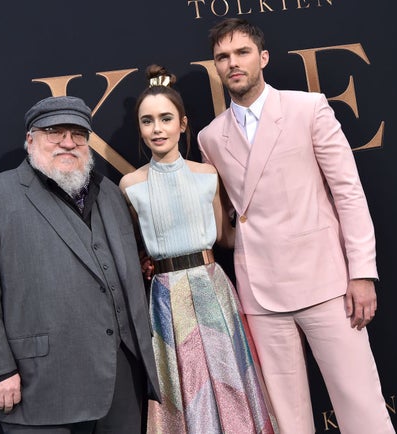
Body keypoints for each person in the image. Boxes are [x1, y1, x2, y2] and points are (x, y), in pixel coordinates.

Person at [197, 18, 396, 434]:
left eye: (242, 52)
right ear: (215, 67)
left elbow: (348, 193)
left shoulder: (308, 108)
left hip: (325, 281)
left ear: (262, 57)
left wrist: (361, 272)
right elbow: (228, 218)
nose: (233, 63)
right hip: (261, 292)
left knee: (361, 406)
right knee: (287, 420)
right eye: (223, 57)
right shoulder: (210, 137)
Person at [0, 95, 160, 434]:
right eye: (54, 131)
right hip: (39, 383)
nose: (68, 142)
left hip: (119, 379)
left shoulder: (108, 193)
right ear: (30, 139)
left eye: (78, 133)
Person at [119, 64, 277, 434]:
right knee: (182, 387)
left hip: (212, 287)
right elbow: (134, 247)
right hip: (165, 296)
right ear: (139, 128)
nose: (157, 128)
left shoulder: (207, 175)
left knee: (230, 379)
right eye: (147, 121)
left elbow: (225, 238)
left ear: (183, 124)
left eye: (165, 118)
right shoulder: (130, 185)